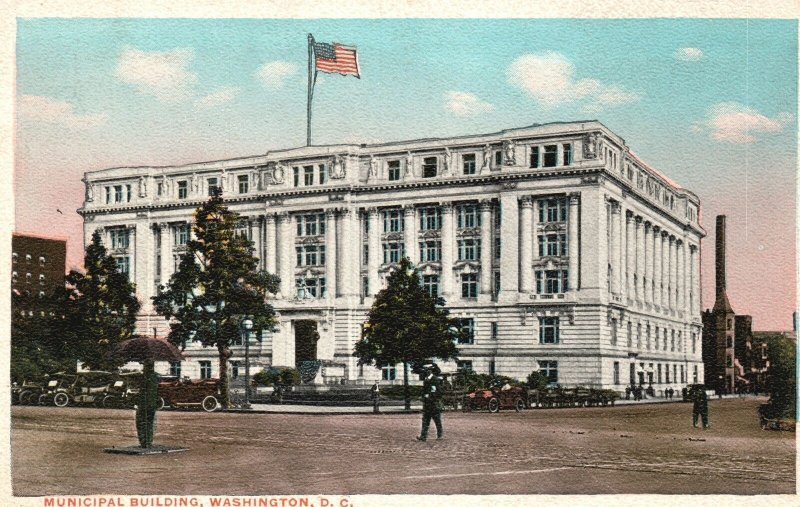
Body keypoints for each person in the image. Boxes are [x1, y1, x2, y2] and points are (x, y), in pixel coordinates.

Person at [417, 364, 444, 441]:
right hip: (427, 404)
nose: (425, 371)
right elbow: (425, 391)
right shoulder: (426, 379)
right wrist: (423, 396)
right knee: (425, 420)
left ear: (430, 371)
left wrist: (428, 396)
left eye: (426, 370)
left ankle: (440, 435)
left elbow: (437, 392)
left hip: (434, 404)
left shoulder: (435, 379)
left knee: (437, 420)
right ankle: (423, 436)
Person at [136, 361, 160, 448]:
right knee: (149, 423)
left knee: (141, 422)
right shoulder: (155, 377)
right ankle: (148, 442)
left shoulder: (145, 377)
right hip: (152, 404)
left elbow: (142, 392)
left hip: (144, 404)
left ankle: (144, 442)